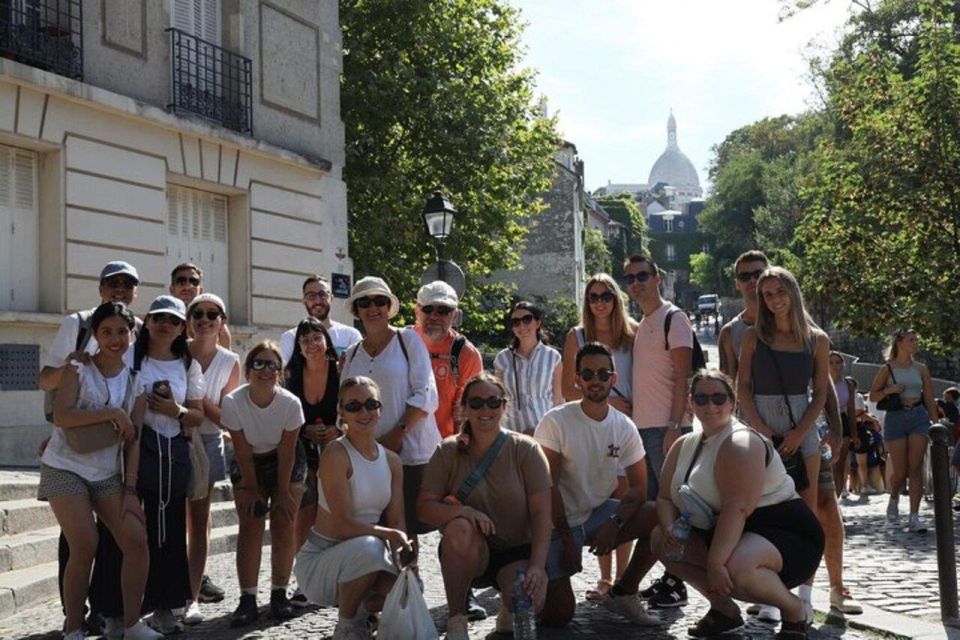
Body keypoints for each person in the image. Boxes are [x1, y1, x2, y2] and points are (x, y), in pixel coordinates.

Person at [651, 369, 824, 640]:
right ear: (690, 402)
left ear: (732, 403)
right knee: (660, 540)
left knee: (732, 566)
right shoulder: (684, 444)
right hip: (729, 530)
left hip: (784, 531)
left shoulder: (741, 441)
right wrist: (670, 528)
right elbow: (663, 497)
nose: (710, 405)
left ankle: (793, 611)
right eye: (702, 398)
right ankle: (724, 611)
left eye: (719, 398)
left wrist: (716, 563)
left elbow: (737, 508)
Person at [40, 302, 160, 640]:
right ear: (95, 335)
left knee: (136, 540)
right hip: (64, 466)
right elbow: (62, 416)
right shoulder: (77, 369)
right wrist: (112, 413)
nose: (115, 338)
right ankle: (74, 628)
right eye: (106, 331)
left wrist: (131, 491)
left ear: (132, 335)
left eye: (122, 331)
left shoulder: (136, 381)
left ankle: (133, 624)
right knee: (86, 543)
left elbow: (132, 441)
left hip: (107, 473)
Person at [418, 373, 553, 639]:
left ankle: (507, 607)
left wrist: (538, 566)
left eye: (493, 402)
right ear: (465, 408)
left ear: (504, 406)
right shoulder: (447, 451)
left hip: (515, 551)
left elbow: (541, 514)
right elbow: (424, 508)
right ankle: (457, 618)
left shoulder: (526, 449)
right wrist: (464, 511)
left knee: (531, 602)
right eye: (476, 403)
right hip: (471, 553)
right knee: (458, 527)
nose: (485, 410)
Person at [536, 342, 660, 628]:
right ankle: (521, 593)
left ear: (613, 380)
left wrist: (615, 522)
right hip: (557, 522)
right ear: (577, 379)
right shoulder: (556, 421)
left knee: (658, 515)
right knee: (558, 617)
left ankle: (625, 592)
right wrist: (567, 539)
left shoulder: (623, 426)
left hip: (598, 514)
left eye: (603, 374)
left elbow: (639, 489)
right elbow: (547, 487)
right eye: (588, 374)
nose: (596, 380)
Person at [736, 266, 831, 622]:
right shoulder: (753, 337)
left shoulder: (817, 339)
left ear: (792, 291)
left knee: (805, 514)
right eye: (767, 294)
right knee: (761, 510)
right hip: (761, 426)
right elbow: (742, 387)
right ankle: (773, 592)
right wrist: (761, 431)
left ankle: (804, 593)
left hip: (801, 426)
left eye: (779, 292)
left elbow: (820, 391)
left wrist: (797, 433)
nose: (774, 300)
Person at [294, 377, 412, 640]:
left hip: (364, 554)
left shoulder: (391, 460)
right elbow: (344, 525)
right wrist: (390, 536)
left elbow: (398, 520)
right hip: (321, 561)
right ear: (342, 413)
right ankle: (347, 626)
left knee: (406, 588)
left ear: (381, 409)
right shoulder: (335, 454)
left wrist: (406, 561)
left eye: (371, 404)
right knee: (370, 547)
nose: (364, 412)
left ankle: (363, 611)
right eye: (354, 406)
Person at [340, 276, 439, 545]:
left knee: (406, 532)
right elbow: (345, 402)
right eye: (365, 302)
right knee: (374, 531)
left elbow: (426, 394)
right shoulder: (351, 354)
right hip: (367, 458)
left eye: (380, 301)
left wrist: (398, 434)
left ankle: (409, 585)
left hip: (410, 454)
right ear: (356, 311)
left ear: (389, 307)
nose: (373, 308)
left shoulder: (408, 340)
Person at [131, 295, 205, 634]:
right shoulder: (133, 357)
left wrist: (173, 410)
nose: (165, 324)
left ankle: (166, 606)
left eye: (173, 320)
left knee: (171, 530)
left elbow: (197, 415)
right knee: (135, 530)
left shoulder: (188, 365)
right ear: (147, 321)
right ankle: (126, 607)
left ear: (182, 328)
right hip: (135, 451)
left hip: (172, 453)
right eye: (158, 317)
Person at [412, 280, 486, 621]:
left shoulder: (465, 354)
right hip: (408, 449)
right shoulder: (403, 341)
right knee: (404, 525)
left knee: (457, 523)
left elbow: (469, 406)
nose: (435, 316)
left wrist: (464, 450)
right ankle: (407, 592)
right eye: (429, 308)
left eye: (443, 310)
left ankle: (463, 593)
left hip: (447, 452)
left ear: (454, 314)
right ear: (417, 310)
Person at [560, 273, 637, 601]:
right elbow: (567, 388)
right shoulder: (576, 336)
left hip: (628, 426)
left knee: (626, 499)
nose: (600, 302)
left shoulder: (633, 334)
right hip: (593, 424)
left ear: (616, 299)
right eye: (593, 297)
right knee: (601, 499)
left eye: (606, 296)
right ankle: (604, 578)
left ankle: (623, 577)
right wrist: (608, 401)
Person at [622, 254, 693, 609]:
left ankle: (678, 581)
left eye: (642, 275)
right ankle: (668, 576)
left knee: (675, 508)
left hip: (666, 429)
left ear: (658, 277)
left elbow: (684, 377)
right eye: (630, 278)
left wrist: (675, 425)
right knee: (655, 510)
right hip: (643, 429)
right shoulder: (644, 323)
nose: (636, 283)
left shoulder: (673, 319)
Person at [221, 341, 306, 625]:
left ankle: (279, 594)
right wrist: (253, 491)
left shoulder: (290, 404)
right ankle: (247, 598)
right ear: (248, 370)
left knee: (284, 522)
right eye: (259, 363)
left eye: (273, 365)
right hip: (249, 463)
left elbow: (288, 450)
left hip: (285, 461)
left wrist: (282, 492)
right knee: (250, 524)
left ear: (280, 372)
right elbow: (242, 452)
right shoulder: (233, 402)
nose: (266, 370)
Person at [182, 293, 240, 624]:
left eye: (212, 314)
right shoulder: (177, 352)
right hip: (175, 439)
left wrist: (200, 402)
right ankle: (170, 591)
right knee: (172, 520)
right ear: (189, 320)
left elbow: (228, 417)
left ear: (222, 322)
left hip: (208, 440)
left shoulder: (230, 361)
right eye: (198, 314)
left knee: (199, 521)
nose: (205, 319)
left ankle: (192, 596)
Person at [284, 316, 342, 605]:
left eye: (316, 338)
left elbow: (351, 406)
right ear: (298, 347)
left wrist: (337, 429)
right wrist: (305, 428)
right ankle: (304, 579)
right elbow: (285, 412)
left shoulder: (341, 370)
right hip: (302, 450)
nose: (311, 344)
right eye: (304, 340)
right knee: (304, 514)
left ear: (327, 342)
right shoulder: (291, 375)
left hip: (338, 450)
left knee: (335, 510)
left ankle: (338, 575)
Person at [869, 328, 940, 532]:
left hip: (918, 416)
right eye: (912, 339)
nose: (916, 343)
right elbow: (873, 396)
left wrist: (935, 425)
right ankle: (893, 498)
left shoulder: (921, 368)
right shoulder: (887, 368)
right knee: (900, 472)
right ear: (900, 342)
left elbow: (929, 397)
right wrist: (889, 390)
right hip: (896, 418)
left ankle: (914, 516)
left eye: (917, 339)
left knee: (915, 467)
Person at [494, 301, 563, 434]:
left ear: (538, 323)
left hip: (546, 431)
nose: (522, 326)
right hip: (512, 431)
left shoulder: (553, 357)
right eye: (516, 322)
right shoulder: (502, 359)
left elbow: (558, 399)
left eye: (527, 319)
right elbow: (497, 398)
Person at [280, 275, 362, 363]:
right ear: (304, 301)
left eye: (323, 294)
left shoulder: (351, 335)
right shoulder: (290, 338)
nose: (318, 301)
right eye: (311, 296)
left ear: (331, 298)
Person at [169, 262, 231, 349]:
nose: (188, 286)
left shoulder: (215, 323)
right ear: (172, 289)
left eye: (194, 281)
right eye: (181, 281)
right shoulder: (163, 319)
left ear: (200, 290)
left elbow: (227, 358)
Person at [830, 352, 857, 498]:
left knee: (840, 465)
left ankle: (837, 500)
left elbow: (851, 409)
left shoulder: (848, 384)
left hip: (843, 421)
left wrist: (855, 434)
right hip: (826, 422)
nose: (835, 366)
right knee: (831, 465)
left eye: (838, 362)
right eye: (831, 363)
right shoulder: (821, 382)